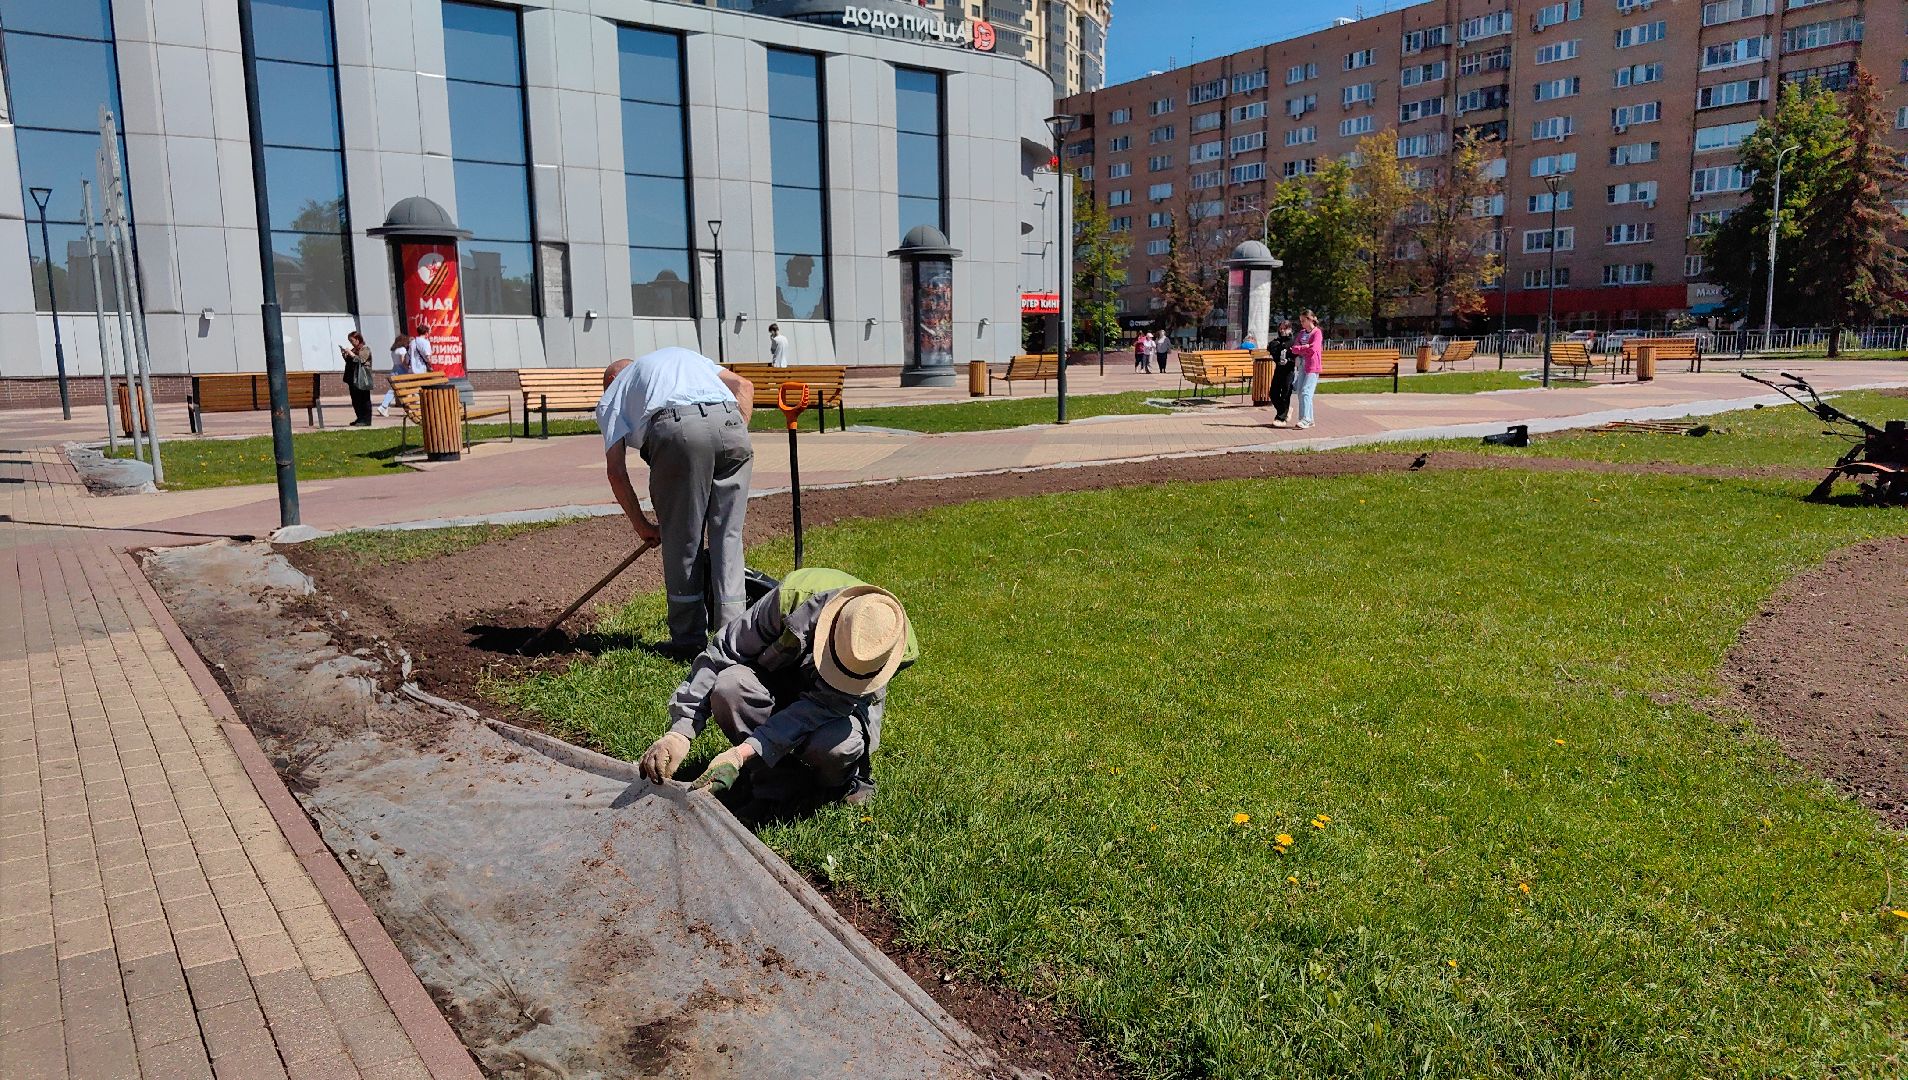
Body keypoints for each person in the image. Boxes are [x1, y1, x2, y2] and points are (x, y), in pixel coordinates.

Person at [637, 567, 916, 816]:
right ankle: (777, 782)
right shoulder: (792, 598)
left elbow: (817, 709)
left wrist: (741, 753)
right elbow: (724, 652)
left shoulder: (891, 645)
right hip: (778, 679)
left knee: (836, 746)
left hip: (835, 708)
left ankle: (838, 784)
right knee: (729, 686)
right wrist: (681, 729)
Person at [597, 347, 756, 653]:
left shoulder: (616, 388)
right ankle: (733, 640)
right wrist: (727, 434)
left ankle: (688, 642)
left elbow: (616, 471)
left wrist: (642, 525)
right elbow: (744, 387)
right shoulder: (685, 357)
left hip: (679, 431)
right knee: (729, 536)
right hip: (731, 425)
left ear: (614, 377)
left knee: (683, 539)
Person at [1292, 311, 1325, 430]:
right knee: (1301, 392)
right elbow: (1294, 348)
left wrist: (1302, 349)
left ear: (1310, 319)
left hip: (1312, 366)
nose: (1301, 323)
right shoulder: (1301, 333)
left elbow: (1314, 349)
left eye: (1303, 321)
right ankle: (1308, 419)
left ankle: (1305, 419)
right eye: (1300, 321)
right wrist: (1304, 347)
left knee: (1307, 391)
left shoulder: (1317, 332)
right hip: (1302, 366)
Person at [1267, 318, 1299, 427]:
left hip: (1289, 371)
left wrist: (1289, 360)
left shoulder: (1293, 341)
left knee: (1286, 393)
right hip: (1279, 370)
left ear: (1290, 329)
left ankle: (1281, 418)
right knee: (1273, 393)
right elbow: (1274, 353)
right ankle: (1285, 410)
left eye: (1285, 329)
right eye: (1280, 329)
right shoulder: (1276, 342)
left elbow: (1297, 356)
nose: (1282, 331)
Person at [339, 331, 374, 426]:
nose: (351, 343)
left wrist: (352, 354)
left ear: (358, 340)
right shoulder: (354, 349)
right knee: (355, 400)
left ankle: (366, 420)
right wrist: (345, 355)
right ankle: (359, 418)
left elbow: (361, 360)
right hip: (352, 378)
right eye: (350, 341)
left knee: (364, 399)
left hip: (362, 378)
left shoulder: (365, 349)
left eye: (352, 340)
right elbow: (351, 361)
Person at [378, 332, 410, 416]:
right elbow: (403, 361)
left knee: (393, 389)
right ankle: (407, 407)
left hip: (395, 369)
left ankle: (384, 406)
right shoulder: (402, 349)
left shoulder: (394, 350)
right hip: (402, 370)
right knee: (405, 390)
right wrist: (408, 369)